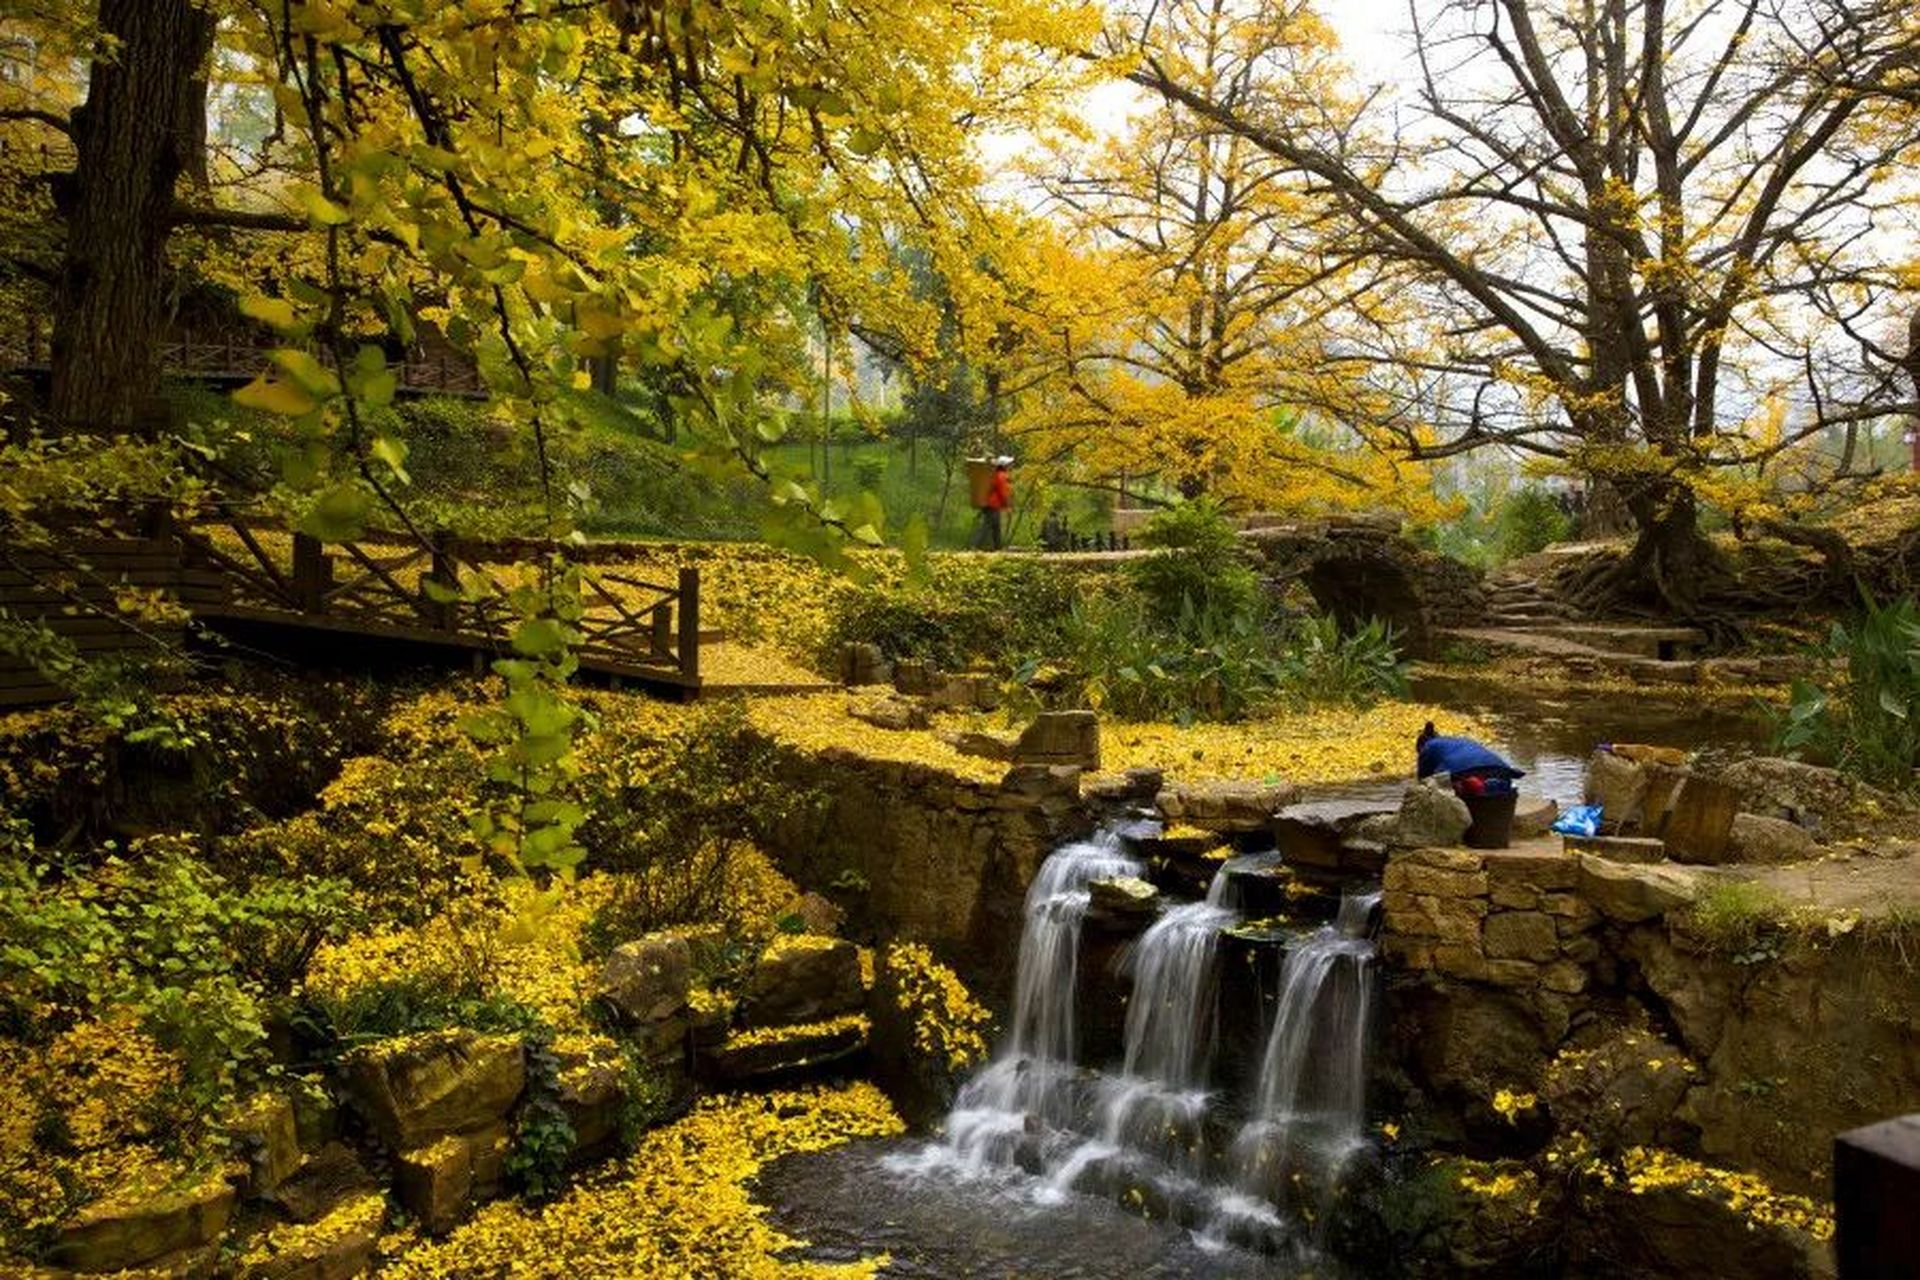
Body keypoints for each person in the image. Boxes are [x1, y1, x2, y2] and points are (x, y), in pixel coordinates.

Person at [1415, 721, 1525, 794]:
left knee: (1449, 785)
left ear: (1421, 746)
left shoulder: (1428, 746)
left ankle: (1483, 786)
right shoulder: (1459, 740)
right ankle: (1493, 784)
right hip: (1499, 767)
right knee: (1496, 784)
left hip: (1466, 771)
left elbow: (1424, 780)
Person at [971, 455, 1013, 550]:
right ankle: (976, 547)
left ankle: (998, 548)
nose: (1011, 466)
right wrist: (1007, 506)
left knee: (995, 527)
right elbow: (1003, 492)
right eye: (1009, 464)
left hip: (991, 504)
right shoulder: (1001, 476)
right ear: (1004, 465)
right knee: (988, 526)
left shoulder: (996, 474)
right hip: (993, 505)